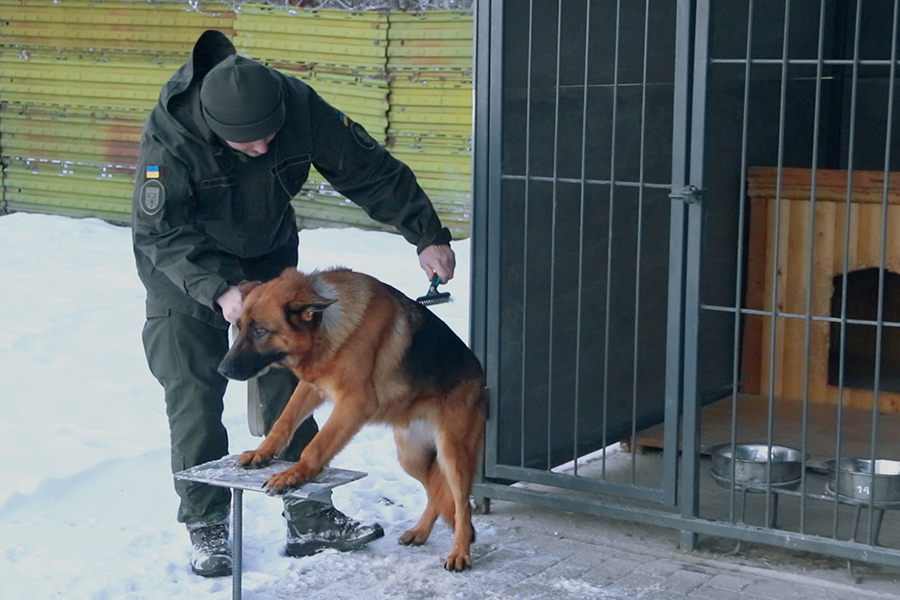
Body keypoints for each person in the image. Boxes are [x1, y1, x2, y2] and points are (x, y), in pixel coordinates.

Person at [131, 29, 456, 578]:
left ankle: (309, 514)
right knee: (193, 392)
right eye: (247, 144)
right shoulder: (171, 139)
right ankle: (206, 524)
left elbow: (367, 168)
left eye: (269, 138)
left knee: (302, 376)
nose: (263, 149)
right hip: (183, 276)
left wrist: (426, 233)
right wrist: (218, 290)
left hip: (270, 264)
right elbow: (160, 237)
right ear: (214, 128)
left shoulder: (295, 105)